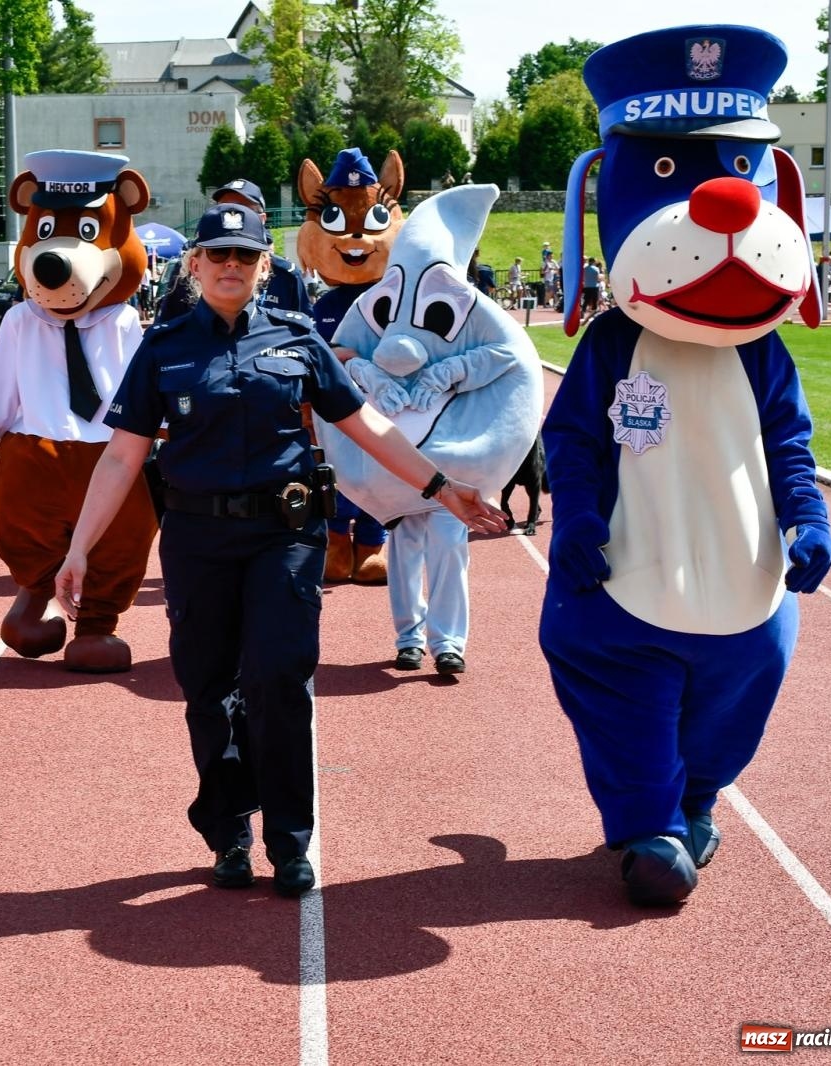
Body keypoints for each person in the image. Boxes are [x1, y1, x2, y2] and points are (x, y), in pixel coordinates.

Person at [54, 203, 507, 897]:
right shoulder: (164, 346)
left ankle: (290, 840)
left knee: (278, 679)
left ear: (265, 266)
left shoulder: (298, 339)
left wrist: (442, 488)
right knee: (209, 690)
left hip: (284, 535)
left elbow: (366, 424)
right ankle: (229, 831)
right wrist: (79, 548)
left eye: (246, 255)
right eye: (218, 254)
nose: (231, 265)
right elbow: (121, 457)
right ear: (195, 264)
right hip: (198, 540)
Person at [154, 178, 309, 324]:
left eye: (244, 209)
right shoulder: (186, 269)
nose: (232, 214)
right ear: (195, 268)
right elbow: (169, 327)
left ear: (264, 267)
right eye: (223, 208)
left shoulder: (286, 275)